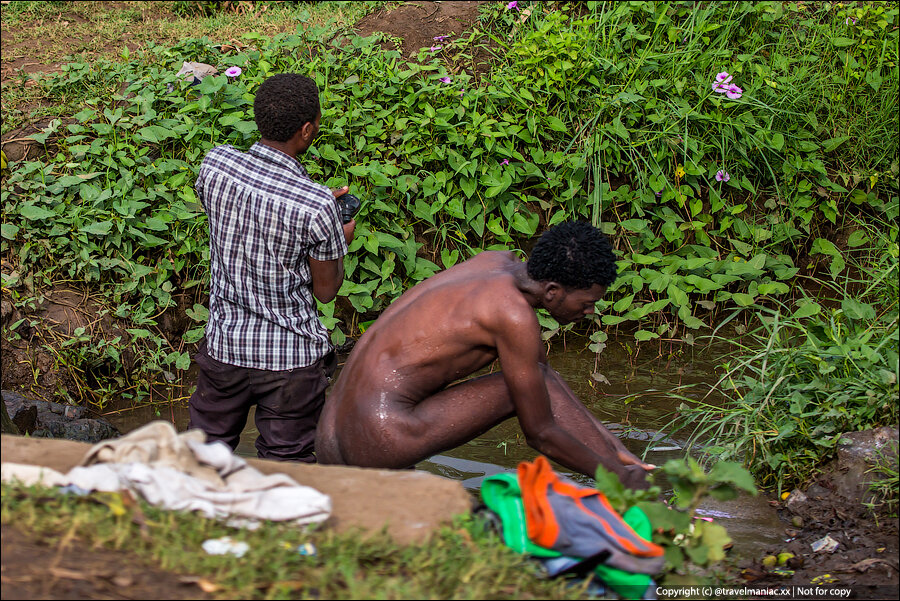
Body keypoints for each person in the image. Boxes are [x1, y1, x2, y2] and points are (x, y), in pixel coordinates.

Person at [316, 221, 654, 489]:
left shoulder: (494, 261)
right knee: (518, 388)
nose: (591, 311)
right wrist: (618, 480)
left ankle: (619, 459)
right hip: (378, 439)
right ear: (553, 292)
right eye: (587, 303)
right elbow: (540, 433)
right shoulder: (512, 314)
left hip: (331, 437)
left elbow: (546, 379)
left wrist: (613, 450)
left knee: (536, 378)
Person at [188, 73, 355, 463]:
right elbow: (326, 290)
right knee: (289, 467)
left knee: (200, 462)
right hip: (290, 364)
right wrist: (336, 235)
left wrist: (315, 213)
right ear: (308, 130)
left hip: (225, 350)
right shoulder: (316, 206)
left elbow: (246, 210)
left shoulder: (215, 165)